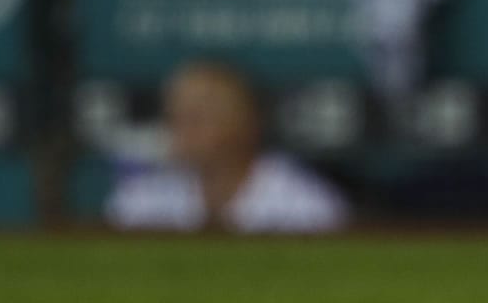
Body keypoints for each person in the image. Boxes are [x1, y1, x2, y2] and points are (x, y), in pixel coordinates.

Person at [105, 60, 350, 233]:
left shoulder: (305, 204)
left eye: (198, 116)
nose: (181, 128)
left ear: (246, 123)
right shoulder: (141, 200)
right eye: (175, 115)